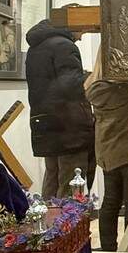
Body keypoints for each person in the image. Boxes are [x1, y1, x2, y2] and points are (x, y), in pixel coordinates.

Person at [25, 20, 95, 199]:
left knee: (52, 177)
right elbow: (70, 86)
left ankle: (49, 224)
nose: (81, 37)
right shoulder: (65, 46)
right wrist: (90, 77)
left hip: (46, 122)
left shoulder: (37, 47)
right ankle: (68, 226)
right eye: (82, 32)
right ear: (74, 24)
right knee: (72, 180)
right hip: (69, 125)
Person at [84, 47, 128, 252]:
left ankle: (108, 248)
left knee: (110, 201)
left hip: (107, 153)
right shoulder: (126, 90)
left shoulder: (94, 88)